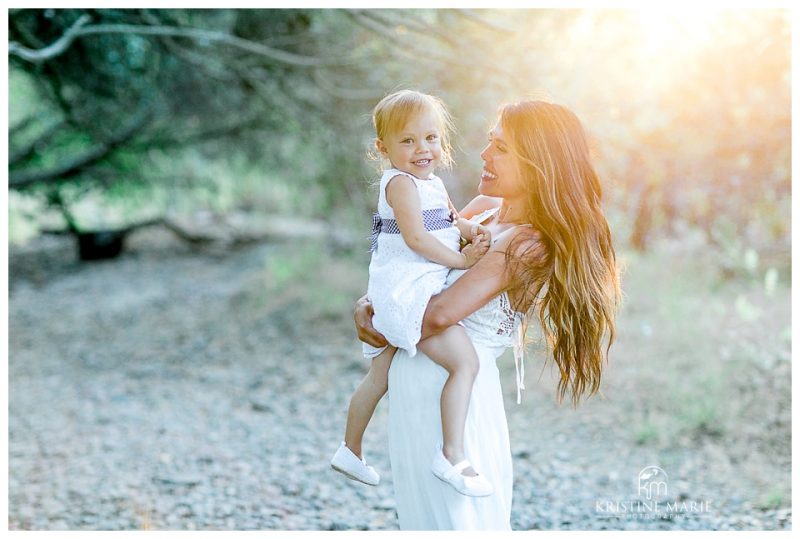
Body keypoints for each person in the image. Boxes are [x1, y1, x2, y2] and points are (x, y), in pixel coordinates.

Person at [354, 100, 622, 529]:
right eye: (489, 143)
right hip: (417, 387)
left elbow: (439, 314)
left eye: (501, 148)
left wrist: (384, 317)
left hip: (456, 396)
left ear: (539, 165)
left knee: (461, 524)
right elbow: (414, 267)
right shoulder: (480, 210)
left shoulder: (526, 243)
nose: (484, 155)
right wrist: (368, 303)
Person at [330, 89, 496, 497]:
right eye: (408, 141)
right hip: (408, 291)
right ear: (382, 148)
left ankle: (350, 449)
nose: (422, 149)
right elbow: (418, 239)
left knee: (380, 375)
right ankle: (452, 454)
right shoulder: (401, 185)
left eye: (431, 138)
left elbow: (452, 221)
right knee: (464, 364)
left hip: (411, 288)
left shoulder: (432, 184)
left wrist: (472, 231)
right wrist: (462, 263)